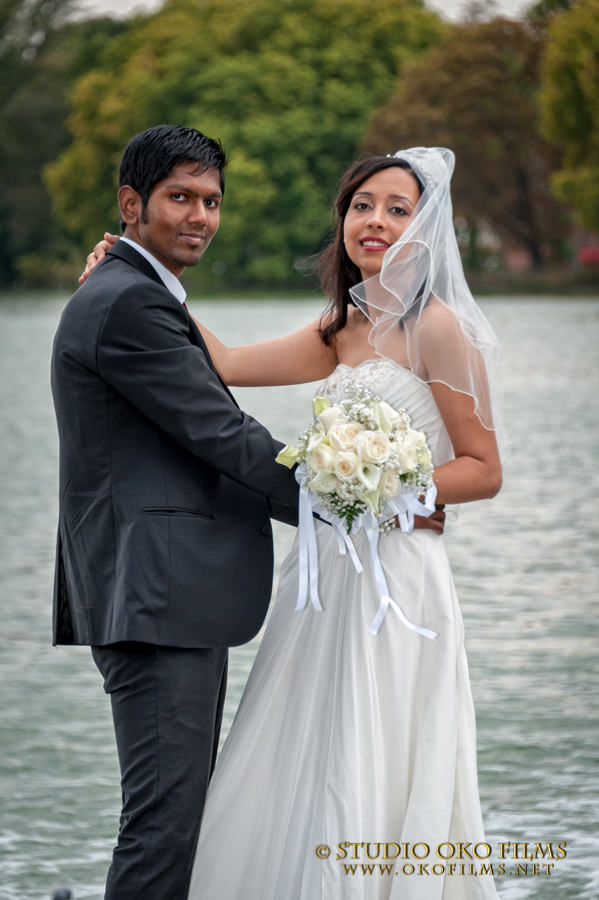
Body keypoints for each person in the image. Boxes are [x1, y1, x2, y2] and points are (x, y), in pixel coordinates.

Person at [84, 147, 500, 899]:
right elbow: (227, 363)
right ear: (342, 218)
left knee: (376, 750)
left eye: (396, 209)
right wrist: (137, 276)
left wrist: (381, 491)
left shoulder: (439, 328)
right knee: (302, 749)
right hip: (322, 576)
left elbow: (481, 468)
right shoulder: (343, 325)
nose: (373, 221)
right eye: (360, 204)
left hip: (397, 581)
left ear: (424, 228)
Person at [50, 124, 301, 900]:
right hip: (156, 597)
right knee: (163, 823)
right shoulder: (127, 302)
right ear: (132, 204)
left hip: (166, 596)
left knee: (173, 816)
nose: (199, 216)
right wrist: (353, 504)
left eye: (212, 201)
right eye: (180, 198)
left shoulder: (133, 292)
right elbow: (221, 433)